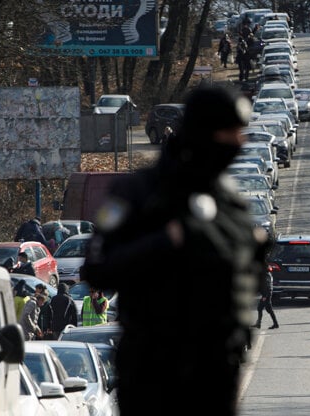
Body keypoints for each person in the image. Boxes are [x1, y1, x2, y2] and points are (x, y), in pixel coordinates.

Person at [80, 86, 269, 416]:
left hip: (217, 369)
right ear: (204, 133)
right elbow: (98, 268)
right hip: (156, 369)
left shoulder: (229, 199)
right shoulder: (139, 193)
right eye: (229, 133)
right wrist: (164, 243)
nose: (238, 143)